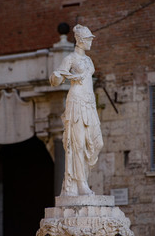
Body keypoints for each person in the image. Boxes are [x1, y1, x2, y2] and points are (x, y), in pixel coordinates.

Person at [50, 24, 104, 196]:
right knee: (78, 144)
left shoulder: (88, 60)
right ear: (80, 40)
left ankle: (83, 179)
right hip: (76, 102)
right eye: (88, 39)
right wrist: (59, 76)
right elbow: (55, 79)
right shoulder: (70, 58)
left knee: (97, 143)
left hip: (89, 103)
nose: (91, 42)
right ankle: (81, 184)